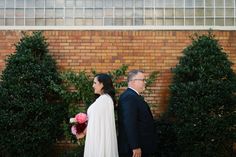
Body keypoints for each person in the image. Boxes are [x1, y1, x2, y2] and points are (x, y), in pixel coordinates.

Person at [76, 73, 119, 157]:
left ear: (102, 84)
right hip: (98, 138)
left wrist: (83, 133)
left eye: (95, 83)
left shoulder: (104, 100)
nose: (93, 85)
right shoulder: (105, 99)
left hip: (98, 140)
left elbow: (94, 123)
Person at [118, 70, 156, 157]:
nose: (145, 82)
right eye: (142, 80)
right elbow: (129, 123)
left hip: (141, 146)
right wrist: (135, 146)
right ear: (133, 81)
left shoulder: (133, 96)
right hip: (133, 150)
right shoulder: (129, 97)